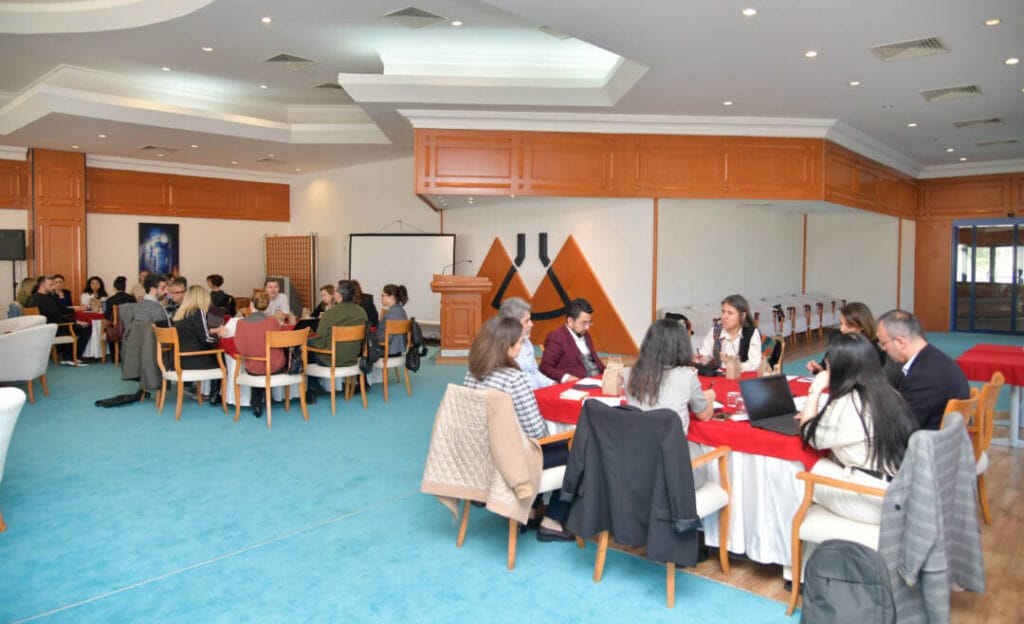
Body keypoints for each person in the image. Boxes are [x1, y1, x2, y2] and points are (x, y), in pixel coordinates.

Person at [463, 316, 574, 542]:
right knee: (579, 450)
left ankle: (528, 512)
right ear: (508, 346)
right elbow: (537, 433)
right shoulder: (515, 379)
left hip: (483, 457)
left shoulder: (472, 373)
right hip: (514, 463)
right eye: (521, 342)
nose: (524, 347)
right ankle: (552, 520)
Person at [799, 333, 918, 523]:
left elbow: (809, 435)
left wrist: (815, 391)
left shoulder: (850, 403)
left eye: (829, 363)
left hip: (871, 499)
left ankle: (789, 535)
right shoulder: (890, 393)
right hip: (899, 491)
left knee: (800, 468)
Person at [626, 318, 716, 487]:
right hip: (674, 472)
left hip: (634, 463)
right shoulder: (687, 375)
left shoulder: (629, 374)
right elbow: (704, 415)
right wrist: (709, 396)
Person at [876, 309, 970, 431]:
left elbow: (903, 428)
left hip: (933, 439)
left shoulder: (924, 376)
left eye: (883, 344)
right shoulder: (934, 358)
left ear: (900, 342)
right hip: (946, 435)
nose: (882, 349)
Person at [806, 302, 902, 384]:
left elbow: (875, 378)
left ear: (862, 326)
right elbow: (827, 364)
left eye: (848, 326)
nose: (842, 329)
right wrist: (819, 369)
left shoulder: (875, 346)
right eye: (841, 323)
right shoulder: (836, 337)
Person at [308, 280, 367, 402]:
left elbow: (320, 340)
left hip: (332, 358)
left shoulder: (330, 313)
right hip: (352, 357)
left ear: (339, 295)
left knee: (305, 347)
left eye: (335, 291)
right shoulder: (361, 312)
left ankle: (311, 389)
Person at [172, 285, 228, 405]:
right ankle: (214, 395)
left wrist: (210, 331)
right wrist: (219, 335)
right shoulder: (199, 312)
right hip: (195, 360)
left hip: (179, 360)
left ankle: (211, 393)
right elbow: (207, 339)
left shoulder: (179, 314)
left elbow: (193, 333)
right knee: (220, 355)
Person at [233, 291, 284, 418]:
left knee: (257, 364)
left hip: (254, 367)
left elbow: (241, 350)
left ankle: (256, 403)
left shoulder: (241, 323)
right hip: (275, 366)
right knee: (267, 360)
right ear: (267, 305)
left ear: (251, 304)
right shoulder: (273, 322)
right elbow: (278, 344)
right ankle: (267, 398)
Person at [27, 275, 92, 364]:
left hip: (40, 329)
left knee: (73, 326)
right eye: (51, 285)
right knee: (86, 327)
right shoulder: (46, 299)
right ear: (42, 285)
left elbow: (58, 313)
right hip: (51, 330)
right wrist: (76, 322)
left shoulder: (32, 298)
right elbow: (58, 317)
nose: (53, 287)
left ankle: (65, 355)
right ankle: (71, 357)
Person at [539, 297, 605, 383]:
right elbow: (545, 367)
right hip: (579, 385)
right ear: (570, 321)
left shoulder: (586, 334)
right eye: (583, 323)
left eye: (589, 322)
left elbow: (595, 362)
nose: (587, 327)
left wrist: (609, 372)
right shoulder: (557, 337)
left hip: (598, 381)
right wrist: (566, 377)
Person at [498, 297, 554, 389]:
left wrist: (552, 384)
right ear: (513, 324)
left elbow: (534, 372)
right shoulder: (499, 347)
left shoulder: (526, 341)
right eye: (527, 321)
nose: (531, 324)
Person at [697, 294, 762, 373]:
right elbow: (704, 354)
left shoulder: (751, 333)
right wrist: (703, 359)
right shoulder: (716, 331)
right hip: (718, 377)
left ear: (742, 315)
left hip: (741, 377)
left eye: (730, 313)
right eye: (723, 311)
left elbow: (755, 364)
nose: (724, 317)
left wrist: (733, 365)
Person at [377, 283, 408, 356]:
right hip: (398, 349)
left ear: (391, 297)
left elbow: (383, 338)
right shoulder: (400, 310)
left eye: (383, 295)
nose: (381, 298)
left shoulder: (389, 315)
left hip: (388, 350)